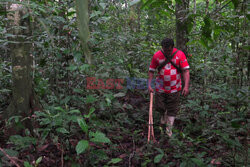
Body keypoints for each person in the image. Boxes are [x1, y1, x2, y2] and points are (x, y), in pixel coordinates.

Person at [148, 38, 190, 137]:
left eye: (169, 50)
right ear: (162, 48)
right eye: (165, 50)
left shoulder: (180, 54)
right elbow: (151, 71)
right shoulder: (157, 55)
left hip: (175, 87)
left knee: (172, 108)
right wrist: (149, 85)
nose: (167, 52)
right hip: (160, 87)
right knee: (160, 107)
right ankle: (163, 116)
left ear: (172, 47)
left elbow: (186, 71)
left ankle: (168, 130)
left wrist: (186, 86)